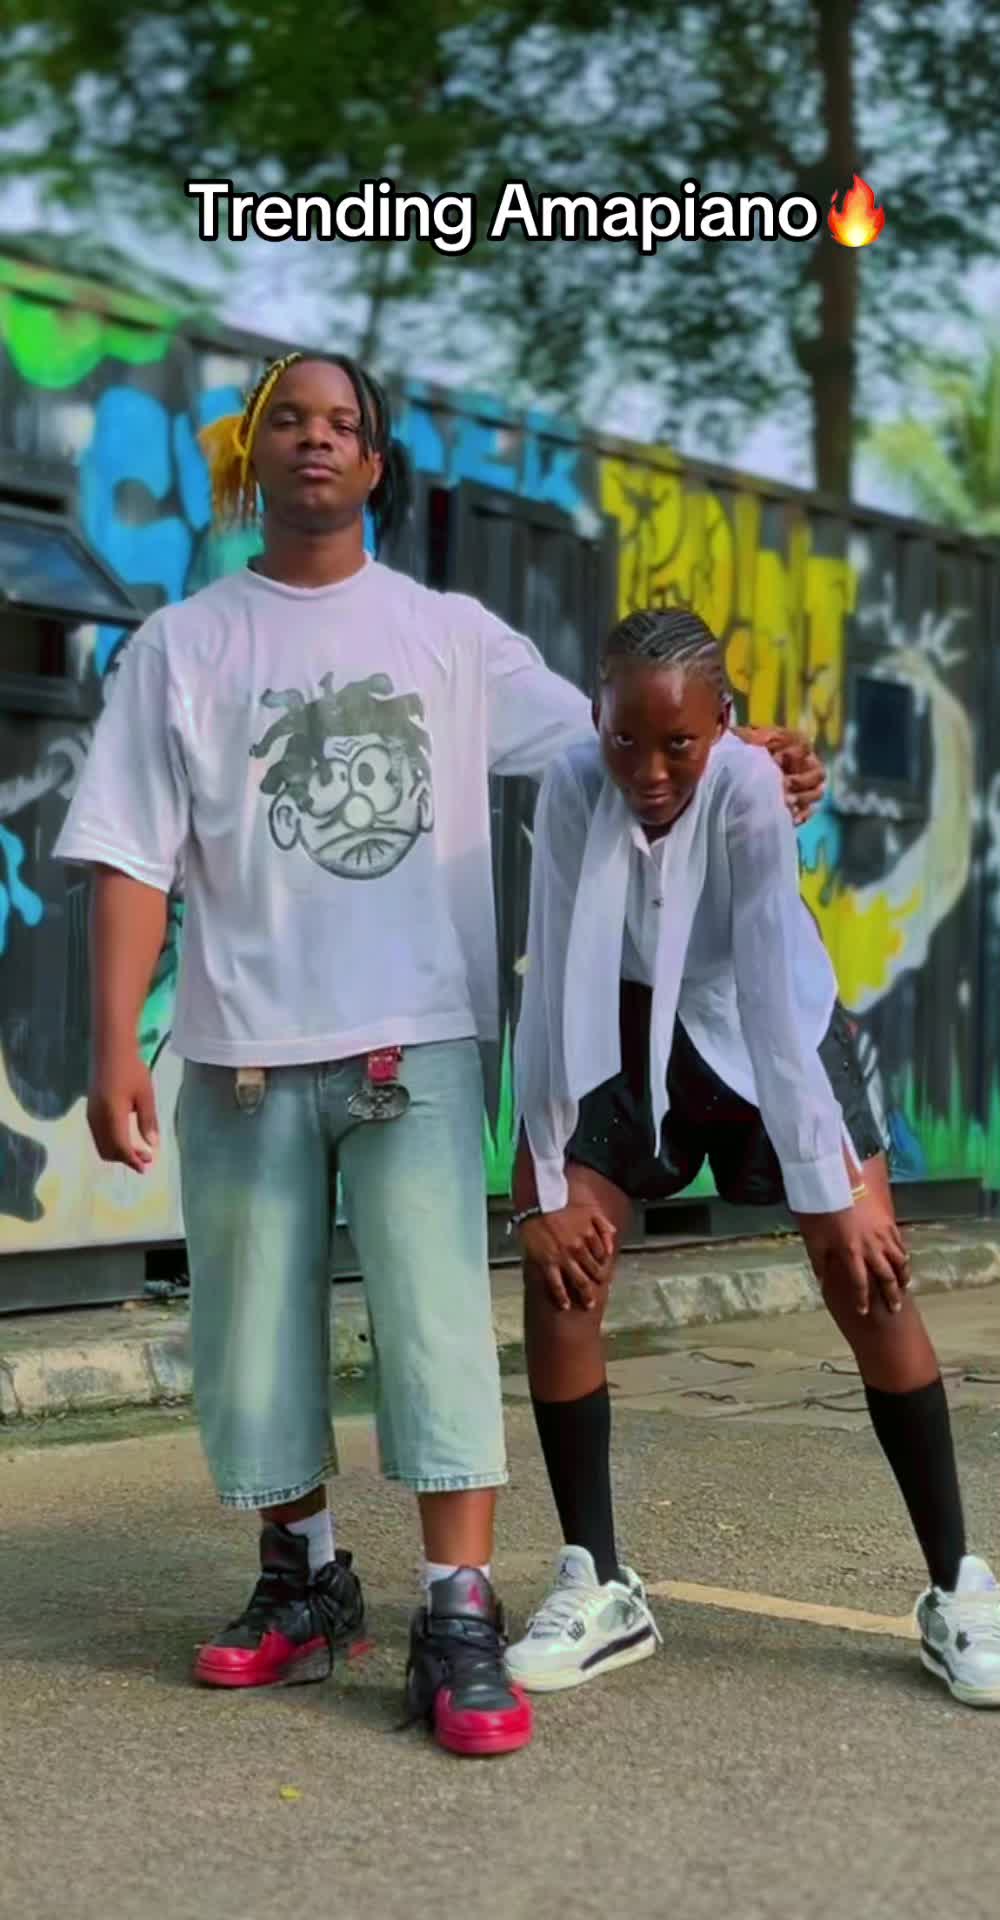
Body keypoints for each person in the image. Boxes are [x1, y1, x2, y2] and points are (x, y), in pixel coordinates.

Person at [54, 355, 825, 1756]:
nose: (316, 440)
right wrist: (116, 1044)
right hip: (240, 1049)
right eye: (290, 420)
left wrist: (747, 759)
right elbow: (127, 856)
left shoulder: (448, 636)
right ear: (252, 454)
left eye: (343, 424)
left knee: (434, 1330)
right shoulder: (185, 646)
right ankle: (302, 1582)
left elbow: (619, 743)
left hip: (412, 1046)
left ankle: (456, 1610)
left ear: (374, 463)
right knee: (251, 1337)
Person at [505, 605, 1000, 1712]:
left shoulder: (750, 787)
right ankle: (598, 1580)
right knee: (563, 1274)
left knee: (867, 1276)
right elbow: (552, 972)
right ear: (596, 715)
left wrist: (832, 1183)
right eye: (624, 737)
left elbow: (763, 981)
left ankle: (959, 1588)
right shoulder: (571, 785)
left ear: (726, 723)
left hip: (774, 1035)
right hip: (624, 1027)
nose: (648, 771)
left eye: (679, 743)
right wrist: (537, 1182)